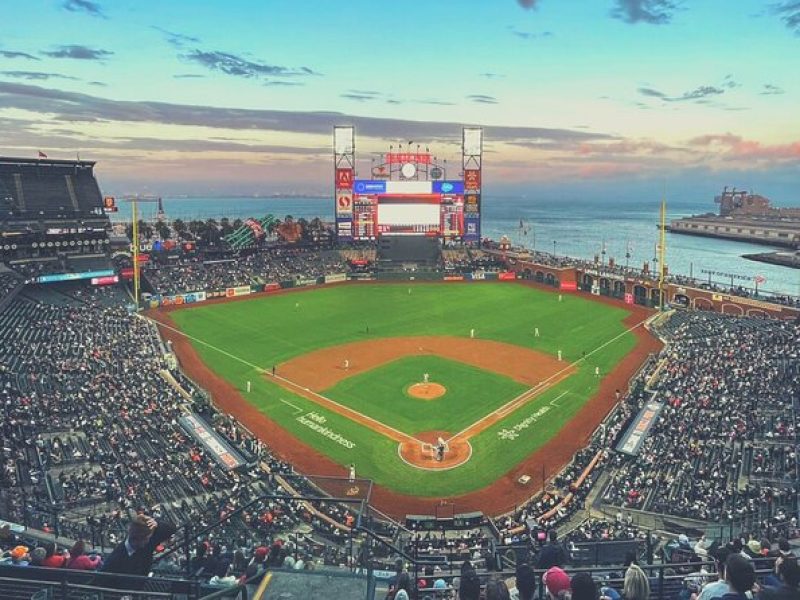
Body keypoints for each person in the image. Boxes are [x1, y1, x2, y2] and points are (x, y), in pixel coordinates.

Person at [102, 514, 176, 578]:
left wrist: (156, 523)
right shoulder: (115, 558)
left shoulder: (148, 541)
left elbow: (172, 528)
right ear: (139, 538)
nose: (148, 541)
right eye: (147, 538)